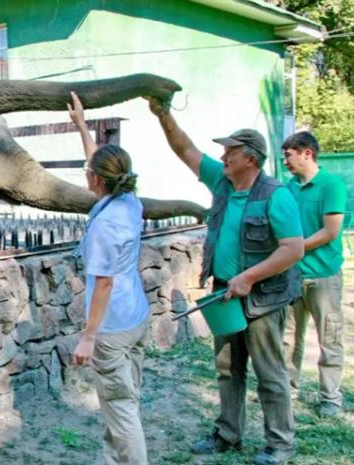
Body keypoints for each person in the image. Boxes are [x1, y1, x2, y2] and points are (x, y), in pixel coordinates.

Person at [147, 98, 304, 465]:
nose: (222, 158)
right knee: (227, 369)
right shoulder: (222, 182)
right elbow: (185, 149)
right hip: (225, 292)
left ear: (250, 158)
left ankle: (280, 444)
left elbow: (293, 249)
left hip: (263, 296)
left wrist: (248, 277)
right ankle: (228, 434)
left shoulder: (275, 195)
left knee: (270, 373)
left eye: (230, 152)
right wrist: (163, 115)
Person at [69, 92, 150, 465]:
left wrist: (88, 337)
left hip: (112, 327)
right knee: (121, 400)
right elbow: (98, 161)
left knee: (120, 407)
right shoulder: (130, 201)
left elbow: (102, 284)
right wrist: (82, 126)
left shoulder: (104, 226)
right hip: (135, 317)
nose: (85, 173)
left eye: (88, 172)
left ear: (97, 180)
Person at [281, 131, 347, 418]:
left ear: (307, 153)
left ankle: (330, 398)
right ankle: (286, 388)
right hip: (291, 274)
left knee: (329, 338)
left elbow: (330, 231)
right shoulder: (289, 187)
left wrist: (293, 248)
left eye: (289, 155)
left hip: (323, 276)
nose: (286, 161)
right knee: (287, 337)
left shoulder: (331, 185)